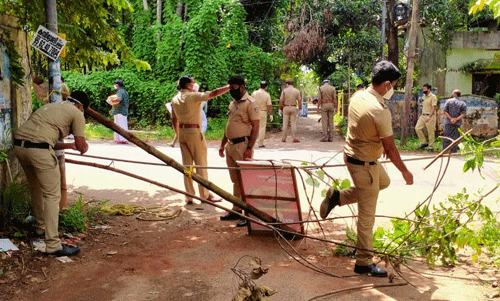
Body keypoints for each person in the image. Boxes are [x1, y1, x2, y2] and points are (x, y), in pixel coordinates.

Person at [319, 61, 414, 277]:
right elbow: (391, 148)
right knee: (367, 217)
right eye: (394, 86)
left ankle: (338, 198)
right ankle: (363, 262)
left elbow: (365, 128)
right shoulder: (379, 110)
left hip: (353, 155)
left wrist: (376, 144)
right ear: (387, 84)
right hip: (364, 165)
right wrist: (405, 172)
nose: (393, 90)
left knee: (384, 182)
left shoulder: (359, 96)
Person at [14, 91, 91, 257]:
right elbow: (81, 145)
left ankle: (41, 228)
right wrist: (83, 147)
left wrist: (67, 146)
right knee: (52, 195)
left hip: (20, 146)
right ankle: (53, 244)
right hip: (39, 151)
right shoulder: (77, 113)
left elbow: (45, 140)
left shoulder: (51, 107)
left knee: (37, 188)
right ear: (80, 106)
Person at [172, 75, 229, 204]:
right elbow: (213, 93)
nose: (194, 84)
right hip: (194, 132)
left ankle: (189, 195)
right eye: (193, 83)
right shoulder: (193, 96)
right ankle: (205, 195)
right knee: (200, 164)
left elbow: (174, 118)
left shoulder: (175, 98)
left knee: (187, 167)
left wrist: (178, 133)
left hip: (182, 132)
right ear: (188, 85)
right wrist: (228, 87)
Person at [219, 75, 260, 227]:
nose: (231, 90)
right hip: (230, 145)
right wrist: (223, 144)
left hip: (242, 145)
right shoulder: (233, 103)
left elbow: (256, 126)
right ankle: (236, 210)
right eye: (229, 87)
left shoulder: (250, 103)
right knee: (235, 180)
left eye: (233, 87)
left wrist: (249, 147)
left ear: (242, 87)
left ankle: (248, 214)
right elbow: (229, 125)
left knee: (245, 179)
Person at [442, 89, 467, 153]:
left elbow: (445, 111)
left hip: (448, 122)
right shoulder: (462, 103)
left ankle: (445, 150)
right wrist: (456, 119)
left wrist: (451, 119)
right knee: (455, 137)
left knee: (447, 137)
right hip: (457, 123)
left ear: (454, 94)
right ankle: (453, 151)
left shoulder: (448, 101)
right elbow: (464, 114)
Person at [415, 84, 438, 151]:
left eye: (425, 89)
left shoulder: (433, 97)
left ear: (429, 89)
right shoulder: (423, 97)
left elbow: (434, 107)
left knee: (430, 131)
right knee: (417, 128)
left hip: (430, 116)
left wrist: (429, 116)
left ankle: (431, 147)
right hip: (423, 115)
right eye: (423, 89)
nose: (423, 90)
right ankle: (424, 142)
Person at [251, 81, 273, 148]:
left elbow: (250, 102)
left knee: (253, 127)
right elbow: (269, 105)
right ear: (266, 87)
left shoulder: (254, 93)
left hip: (254, 111)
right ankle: (260, 143)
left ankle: (251, 142)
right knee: (262, 127)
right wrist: (271, 114)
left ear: (259, 86)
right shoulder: (267, 95)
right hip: (263, 112)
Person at [107, 79, 129, 144]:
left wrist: (111, 101)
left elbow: (119, 99)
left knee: (118, 126)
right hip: (124, 111)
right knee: (124, 125)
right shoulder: (125, 91)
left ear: (117, 85)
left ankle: (120, 139)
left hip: (119, 111)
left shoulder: (119, 91)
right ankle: (124, 139)